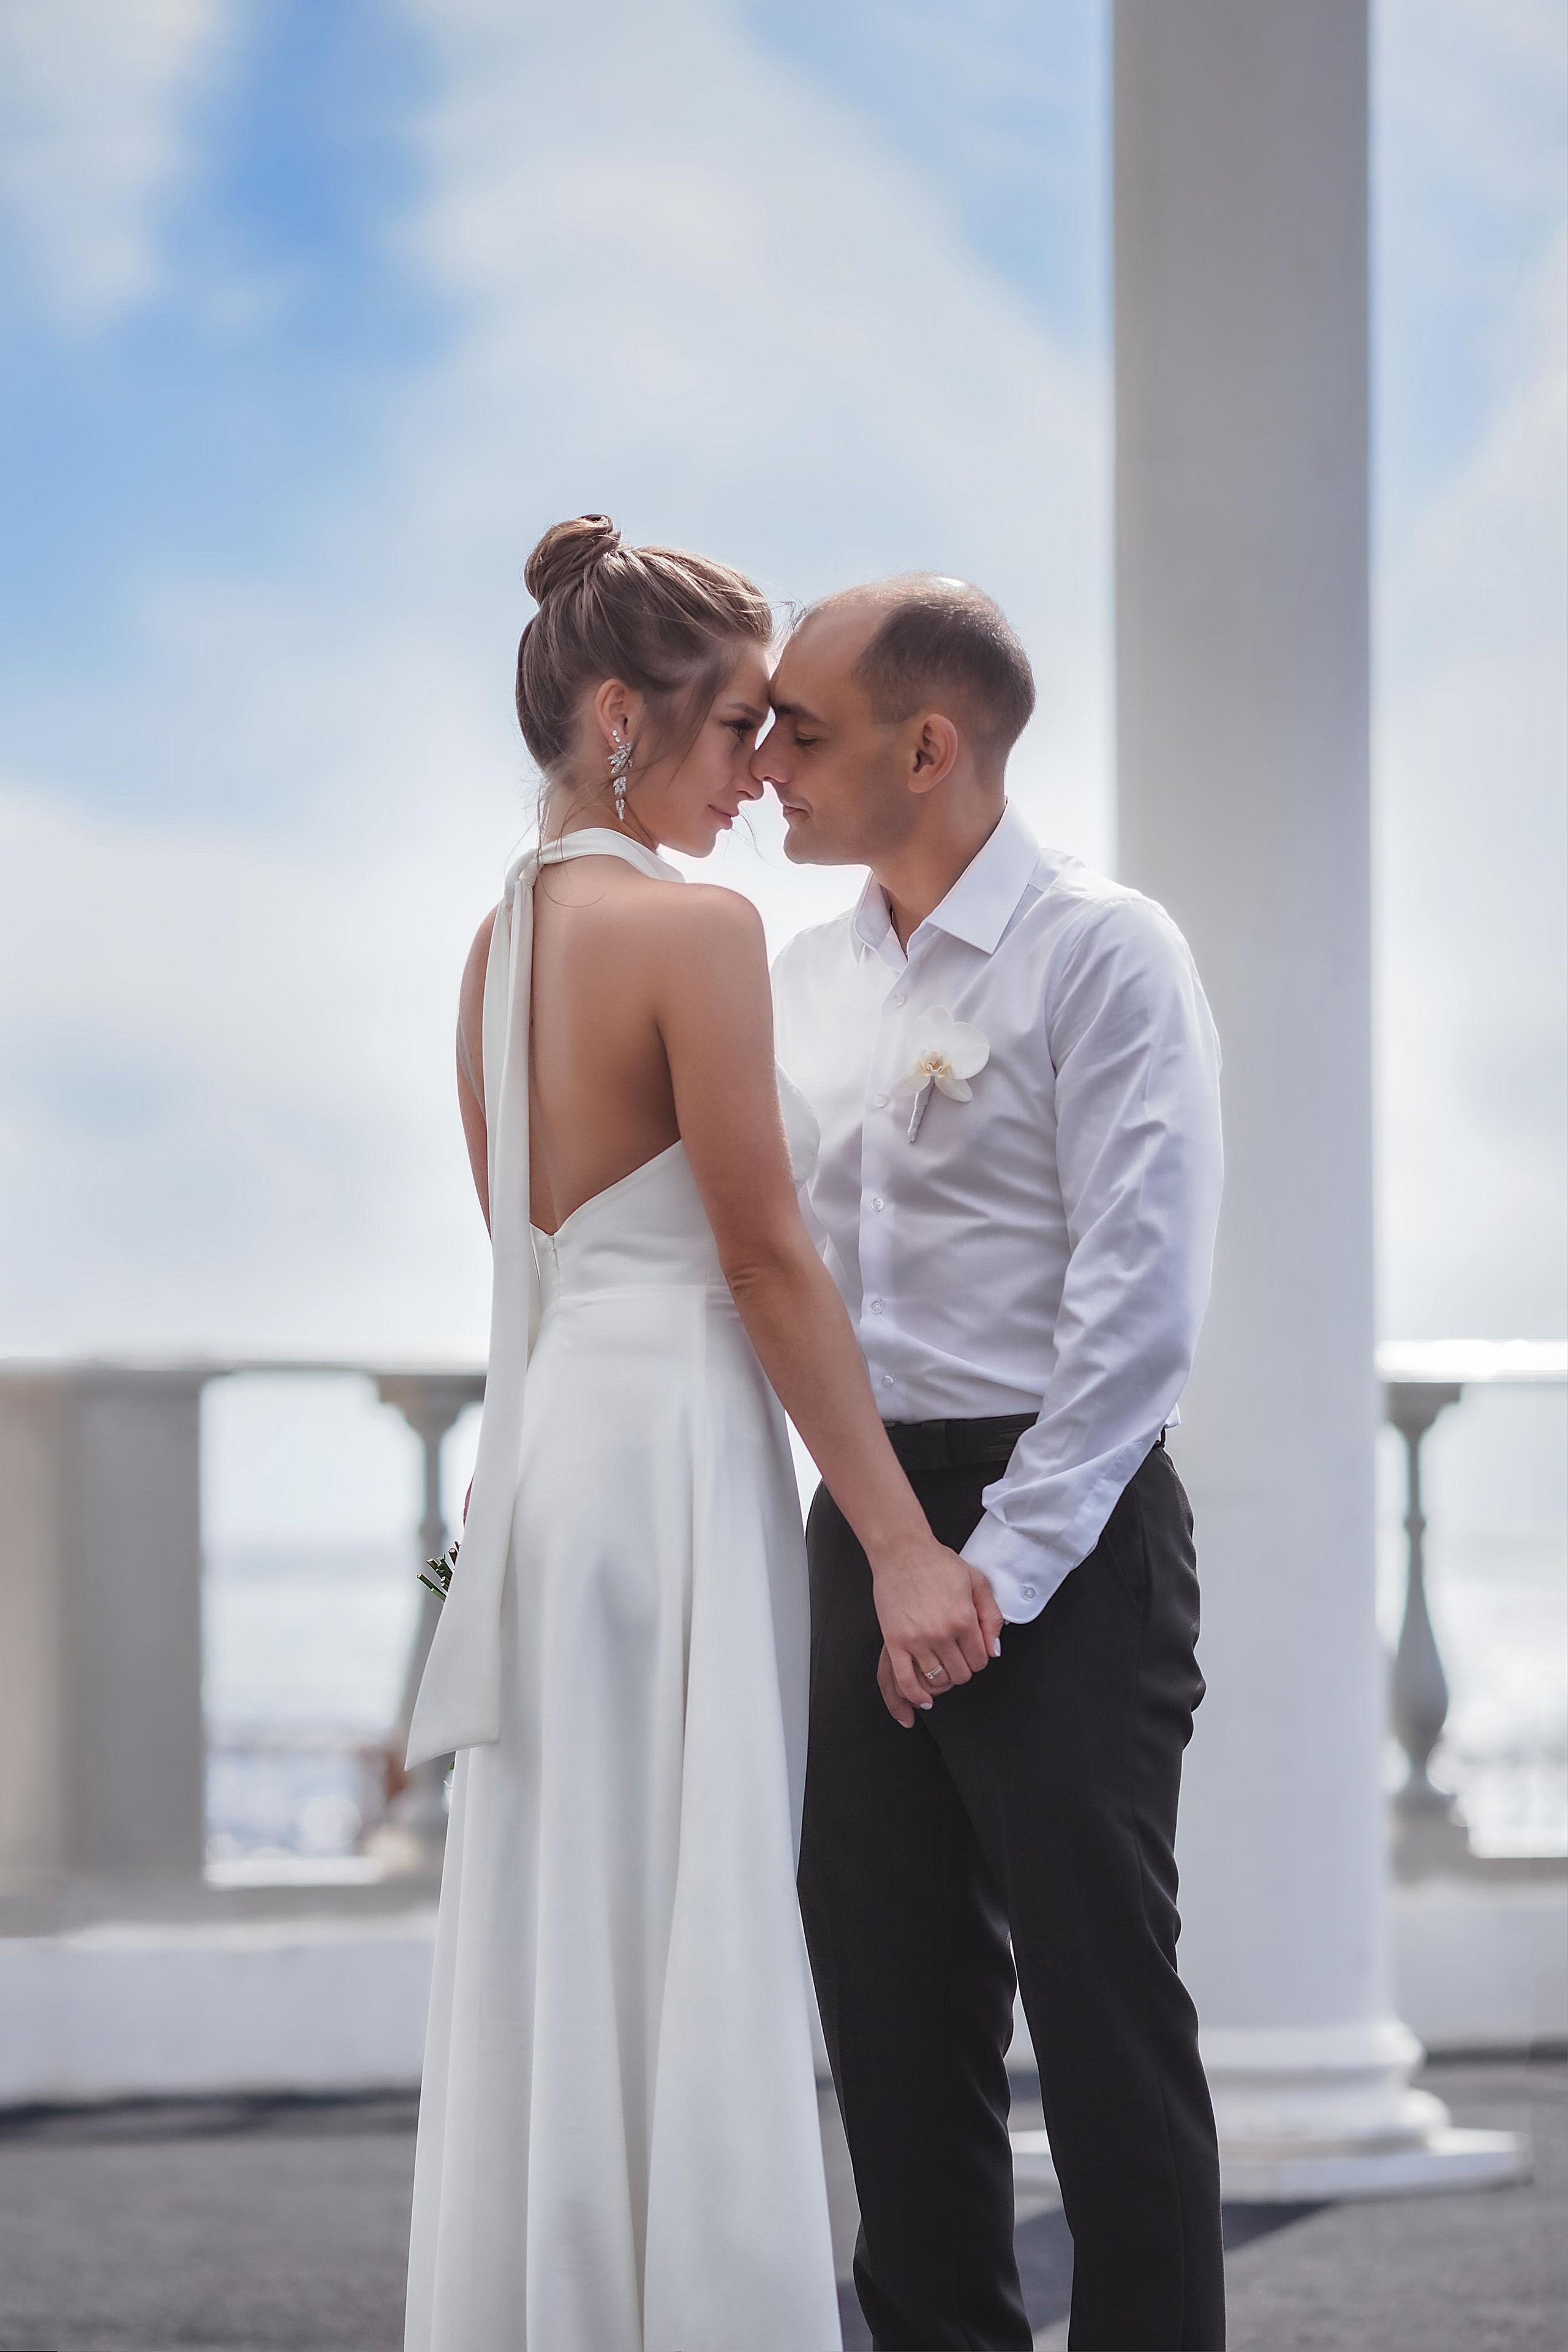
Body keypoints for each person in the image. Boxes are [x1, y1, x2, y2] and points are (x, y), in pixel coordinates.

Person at [402, 518, 1002, 2352]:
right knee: (698, 1906)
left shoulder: (496, 946)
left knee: (571, 1912)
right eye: (742, 723)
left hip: (563, 1455)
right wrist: (901, 1537)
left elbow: (527, 1262)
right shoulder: (698, 929)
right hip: (674, 1466)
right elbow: (763, 1257)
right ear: (616, 717)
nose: (762, 771)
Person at [763, 575, 1227, 2352]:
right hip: (865, 1527)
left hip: (1071, 1534)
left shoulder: (1108, 955)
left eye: (803, 730)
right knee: (892, 2023)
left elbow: (1142, 1303)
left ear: (929, 745)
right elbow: (775, 1285)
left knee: (1108, 2029)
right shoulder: (802, 980)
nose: (770, 763)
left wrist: (994, 1572)